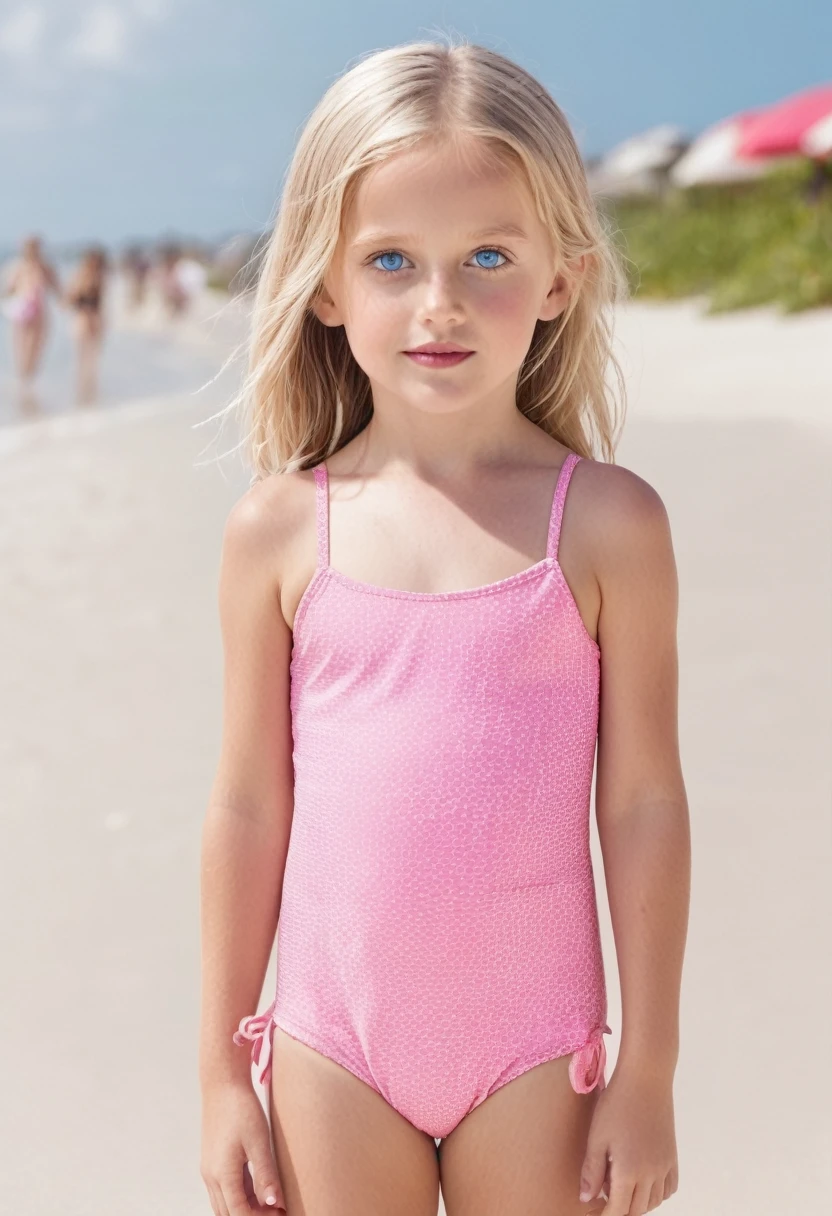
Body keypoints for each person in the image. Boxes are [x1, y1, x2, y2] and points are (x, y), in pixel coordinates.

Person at [198, 38, 690, 1216]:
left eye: (487, 256)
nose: (441, 304)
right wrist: (220, 1070)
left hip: (534, 1045)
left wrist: (651, 1071)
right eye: (390, 261)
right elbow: (248, 804)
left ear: (560, 277)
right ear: (324, 284)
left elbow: (642, 802)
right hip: (332, 1040)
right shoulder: (278, 531)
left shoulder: (605, 524)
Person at [1, 234, 61, 397]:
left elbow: (56, 288)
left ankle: (28, 381)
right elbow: (9, 289)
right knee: (22, 347)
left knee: (37, 347)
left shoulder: (44, 267)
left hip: (39, 313)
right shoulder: (19, 266)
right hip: (23, 312)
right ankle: (23, 380)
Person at [65, 246, 108, 403]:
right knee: (86, 356)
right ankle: (85, 388)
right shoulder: (86, 277)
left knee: (89, 357)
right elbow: (71, 299)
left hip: (90, 318)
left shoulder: (94, 277)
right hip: (85, 319)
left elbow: (70, 300)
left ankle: (87, 389)